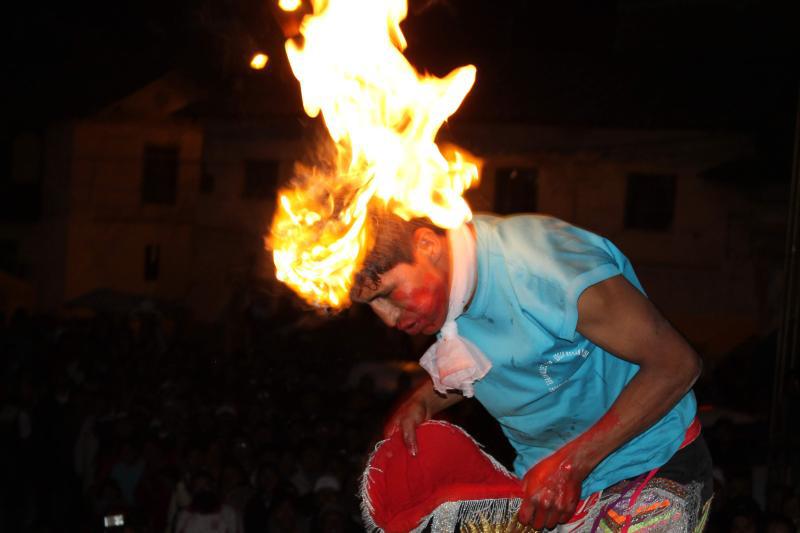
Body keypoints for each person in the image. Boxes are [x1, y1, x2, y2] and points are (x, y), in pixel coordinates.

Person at [349, 209, 713, 531]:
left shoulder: (546, 268)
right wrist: (423, 402)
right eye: (371, 305)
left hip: (651, 468)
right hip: (548, 492)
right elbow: (488, 357)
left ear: (427, 245)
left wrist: (572, 465)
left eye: (389, 293)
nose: (389, 318)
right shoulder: (451, 294)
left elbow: (677, 364)